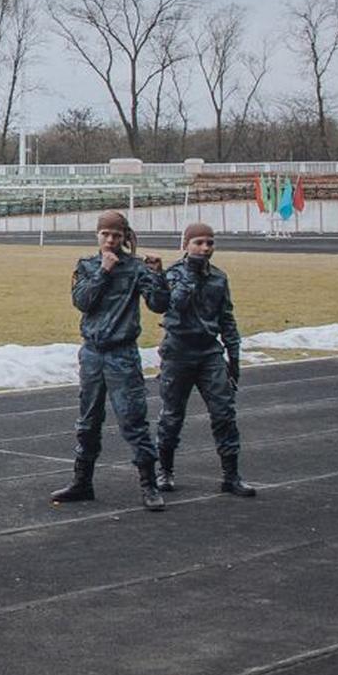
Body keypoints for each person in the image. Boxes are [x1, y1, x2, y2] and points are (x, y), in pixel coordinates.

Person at [51, 210, 171, 510]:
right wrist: (103, 271)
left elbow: (159, 305)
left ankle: (149, 485)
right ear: (97, 235)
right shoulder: (87, 265)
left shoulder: (135, 268)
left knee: (133, 419)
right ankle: (82, 482)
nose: (110, 240)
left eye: (116, 235)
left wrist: (158, 275)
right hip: (92, 352)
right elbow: (82, 301)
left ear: (123, 237)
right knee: (88, 420)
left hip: (122, 353)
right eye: (105, 234)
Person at [158, 223, 256, 497]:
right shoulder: (173, 274)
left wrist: (233, 358)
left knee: (224, 413)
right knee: (171, 416)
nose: (205, 248)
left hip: (209, 353)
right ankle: (164, 471)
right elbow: (175, 304)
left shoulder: (219, 278)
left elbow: (226, 318)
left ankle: (231, 475)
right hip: (177, 353)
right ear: (186, 244)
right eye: (199, 242)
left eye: (210, 243)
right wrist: (190, 272)